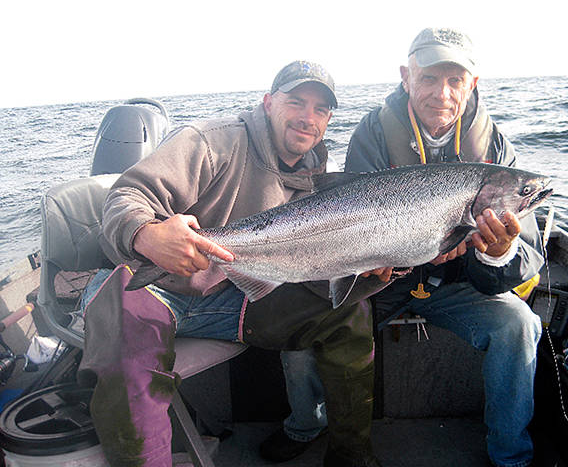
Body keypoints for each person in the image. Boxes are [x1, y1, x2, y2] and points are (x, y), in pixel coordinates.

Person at [78, 60, 386, 467]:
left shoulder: (317, 176)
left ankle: (351, 456)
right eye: (296, 102)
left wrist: (372, 266)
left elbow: (305, 269)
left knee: (348, 317)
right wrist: (146, 236)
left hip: (229, 298)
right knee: (130, 363)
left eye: (321, 110)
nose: (307, 118)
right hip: (145, 284)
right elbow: (126, 196)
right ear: (268, 102)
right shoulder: (212, 141)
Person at [259, 29, 544, 467]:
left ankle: (511, 455)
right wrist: (382, 261)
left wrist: (493, 252)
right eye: (429, 78)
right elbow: (350, 218)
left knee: (519, 324)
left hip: (456, 285)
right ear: (406, 77)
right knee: (303, 327)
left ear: (472, 84)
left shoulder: (495, 149)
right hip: (379, 286)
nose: (441, 94)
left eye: (454, 81)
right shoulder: (374, 133)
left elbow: (520, 262)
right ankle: (307, 423)